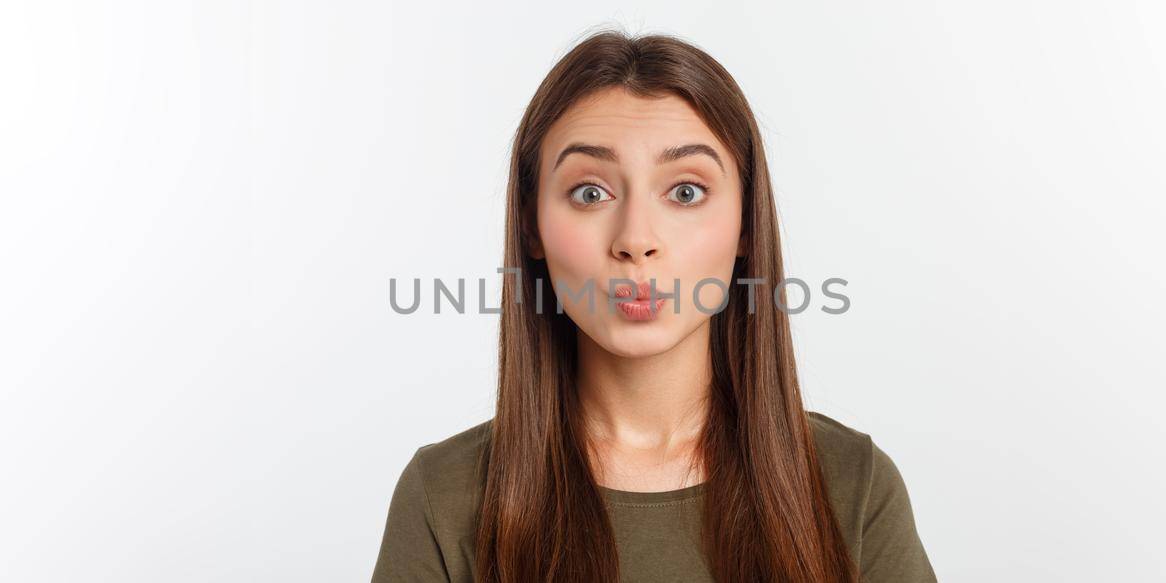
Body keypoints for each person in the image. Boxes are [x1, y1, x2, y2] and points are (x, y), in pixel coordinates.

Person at [373, 30, 935, 582]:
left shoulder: (853, 486)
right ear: (532, 226)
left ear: (746, 223)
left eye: (685, 191)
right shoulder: (443, 498)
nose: (636, 238)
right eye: (590, 192)